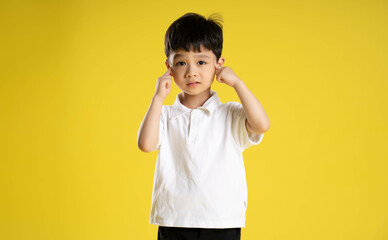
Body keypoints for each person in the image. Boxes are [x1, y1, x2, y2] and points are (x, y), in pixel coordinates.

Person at [137, 12, 270, 240]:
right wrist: (158, 98)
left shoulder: (230, 113)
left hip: (221, 220)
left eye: (201, 62)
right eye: (181, 63)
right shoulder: (165, 114)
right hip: (174, 219)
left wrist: (238, 83)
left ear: (218, 64)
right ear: (169, 67)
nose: (191, 72)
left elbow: (261, 125)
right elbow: (146, 145)